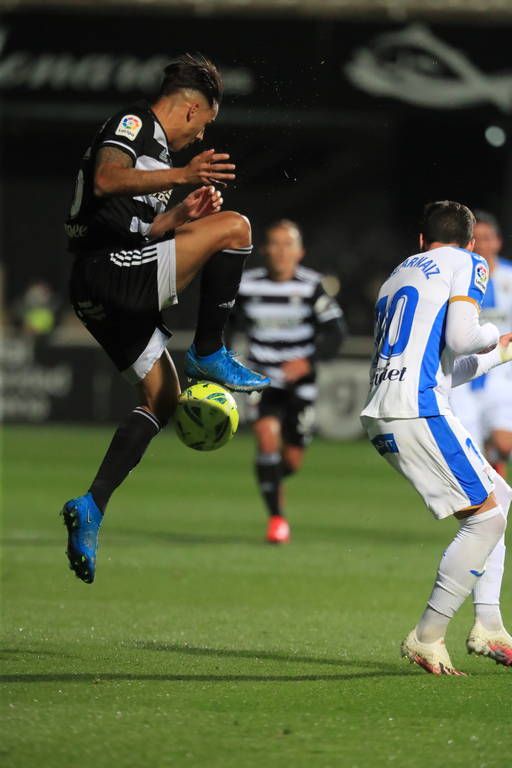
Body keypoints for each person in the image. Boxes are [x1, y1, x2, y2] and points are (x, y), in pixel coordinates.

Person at [62, 53, 269, 584]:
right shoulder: (135, 125)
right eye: (205, 125)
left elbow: (133, 227)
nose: (202, 138)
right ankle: (209, 349)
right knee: (237, 228)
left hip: (103, 283)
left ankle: (92, 505)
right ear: (192, 109)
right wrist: (183, 174)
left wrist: (178, 215)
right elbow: (106, 178)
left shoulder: (156, 160)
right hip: (107, 273)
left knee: (161, 398)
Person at [360, 201, 512, 675]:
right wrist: (495, 333)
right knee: (485, 520)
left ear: (422, 241)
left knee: (498, 499)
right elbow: (467, 338)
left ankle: (488, 624)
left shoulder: (400, 273)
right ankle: (427, 634)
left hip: (389, 410)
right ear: (470, 243)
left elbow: (448, 367)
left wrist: (501, 353)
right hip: (416, 409)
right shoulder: (468, 262)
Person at [231, 219, 345, 543]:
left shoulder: (312, 286)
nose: (281, 251)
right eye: (274, 244)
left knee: (291, 460)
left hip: (301, 385)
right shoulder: (246, 285)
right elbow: (225, 326)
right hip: (261, 380)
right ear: (264, 249)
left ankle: (268, 479)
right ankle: (277, 519)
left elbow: (337, 332)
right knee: (267, 438)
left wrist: (308, 361)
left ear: (300, 251)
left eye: (288, 244)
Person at [450, 211, 512, 479]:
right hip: (465, 372)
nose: (484, 244)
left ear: (498, 242)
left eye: (488, 238)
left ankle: (493, 458)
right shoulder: (459, 278)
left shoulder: (510, 276)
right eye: (478, 239)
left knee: (504, 442)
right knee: (469, 452)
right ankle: (488, 494)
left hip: (501, 371)